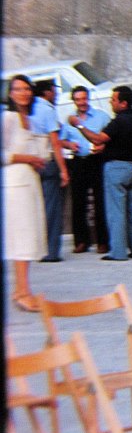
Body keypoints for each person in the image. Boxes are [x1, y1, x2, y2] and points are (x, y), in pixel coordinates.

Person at [69, 85, 132, 262]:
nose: (111, 103)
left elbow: (97, 138)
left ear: (123, 103)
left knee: (116, 212)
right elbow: (123, 140)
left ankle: (118, 251)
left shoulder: (118, 121)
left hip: (116, 169)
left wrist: (79, 125)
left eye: (113, 100)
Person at [3, 75, 48, 312]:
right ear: (10, 93)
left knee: (30, 234)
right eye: (18, 89)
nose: (23, 93)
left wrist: (36, 160)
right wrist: (27, 158)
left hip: (28, 181)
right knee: (22, 235)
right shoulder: (8, 119)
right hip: (15, 185)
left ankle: (21, 289)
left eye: (26, 89)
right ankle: (22, 291)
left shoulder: (28, 120)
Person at [60, 85, 111, 254]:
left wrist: (103, 147)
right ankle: (81, 241)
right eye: (78, 99)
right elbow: (61, 141)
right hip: (78, 161)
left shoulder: (101, 116)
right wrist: (69, 144)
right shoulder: (69, 121)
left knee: (100, 201)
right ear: (73, 101)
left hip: (96, 161)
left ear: (88, 99)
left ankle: (102, 241)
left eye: (84, 98)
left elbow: (110, 138)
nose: (82, 102)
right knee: (78, 202)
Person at [31, 79, 70, 262]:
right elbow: (54, 143)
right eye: (54, 91)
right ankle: (51, 251)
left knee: (36, 208)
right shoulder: (48, 110)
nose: (55, 94)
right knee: (52, 209)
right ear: (47, 92)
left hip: (30, 163)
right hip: (47, 162)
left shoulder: (27, 109)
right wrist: (63, 169)